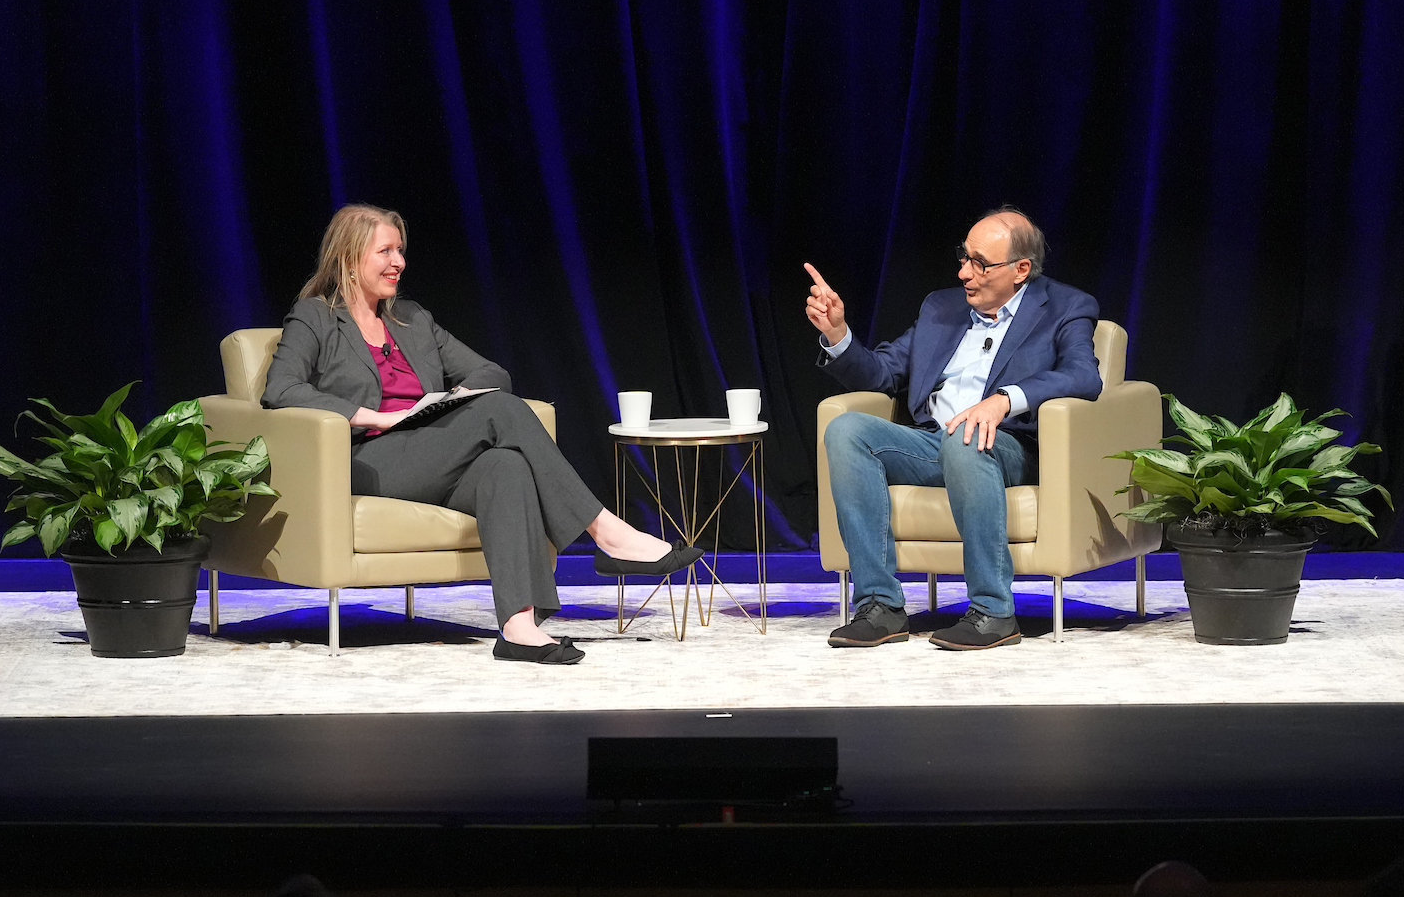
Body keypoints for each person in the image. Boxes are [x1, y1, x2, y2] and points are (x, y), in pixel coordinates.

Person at [262, 204, 700, 664]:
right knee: (499, 410)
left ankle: (518, 628)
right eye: (385, 251)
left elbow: (492, 373)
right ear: (350, 259)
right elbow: (281, 389)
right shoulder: (315, 316)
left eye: (401, 251)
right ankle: (607, 532)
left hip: (433, 452)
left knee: (504, 465)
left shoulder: (412, 319)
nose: (399, 262)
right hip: (368, 461)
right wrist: (374, 417)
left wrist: (454, 399)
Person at [804, 206, 1101, 650]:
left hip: (1007, 445)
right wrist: (838, 334)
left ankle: (993, 612)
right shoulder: (940, 308)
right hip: (932, 442)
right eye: (964, 257)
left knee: (968, 435)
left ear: (1021, 269)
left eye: (980, 263)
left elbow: (1083, 375)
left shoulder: (1065, 306)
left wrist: (1004, 399)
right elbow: (883, 374)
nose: (964, 272)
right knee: (846, 430)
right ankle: (880, 606)